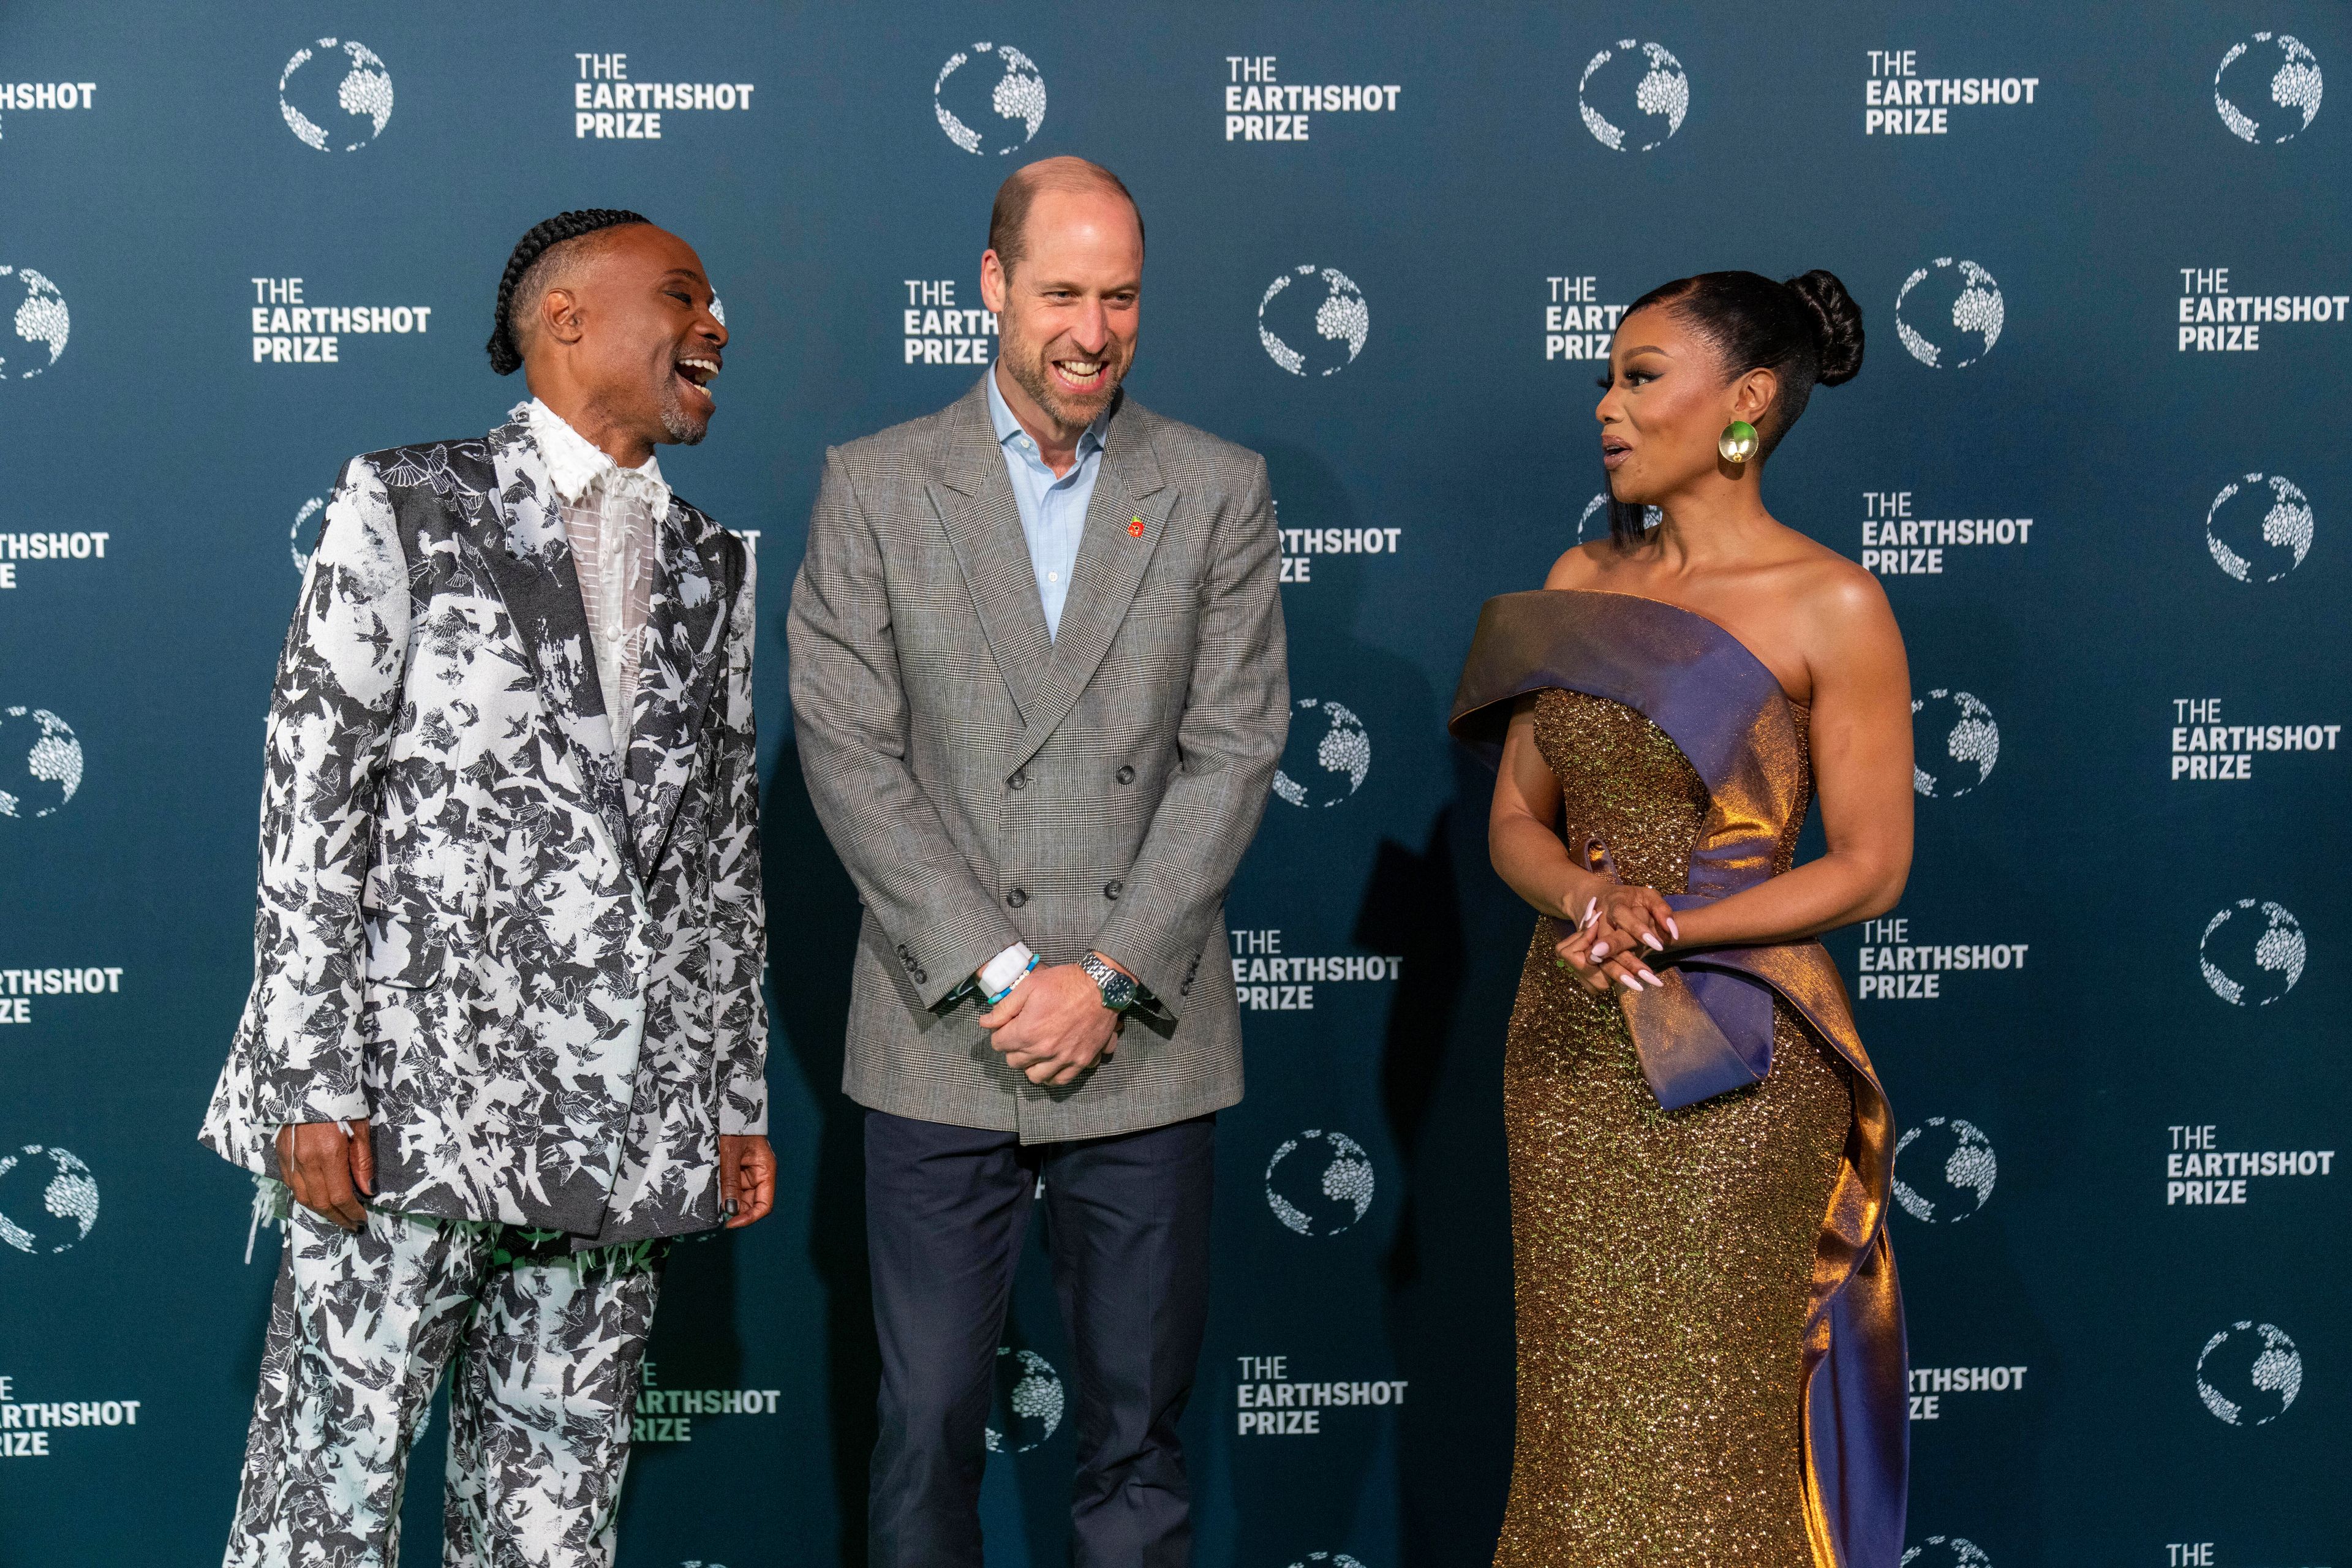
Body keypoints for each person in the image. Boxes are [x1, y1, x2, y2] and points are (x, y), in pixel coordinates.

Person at [198, 209, 775, 1567]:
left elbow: (718, 860)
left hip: (620, 1122)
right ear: (564, 317)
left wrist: (730, 1093)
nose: (718, 326)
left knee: (555, 1521)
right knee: (323, 1503)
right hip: (404, 1112)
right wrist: (310, 1077)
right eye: (684, 296)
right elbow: (309, 798)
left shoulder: (713, 559)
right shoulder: (407, 500)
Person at [788, 156, 1287, 1566]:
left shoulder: (1215, 489)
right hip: (947, 1018)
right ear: (993, 286)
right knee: (929, 1413)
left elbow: (1234, 746)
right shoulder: (878, 486)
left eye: (1120, 296)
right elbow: (850, 756)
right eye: (1062, 290)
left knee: (1137, 1425)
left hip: (1142, 1035)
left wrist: (1111, 973)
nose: (1093, 328)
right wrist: (1008, 970)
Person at [1449, 270, 1913, 1567]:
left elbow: (1874, 868)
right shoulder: (1579, 574)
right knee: (1583, 1432)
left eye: (1642, 376)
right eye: (1605, 377)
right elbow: (1516, 823)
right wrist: (1589, 897)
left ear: (1747, 404)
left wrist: (1675, 930)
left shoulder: (1836, 602)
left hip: (1738, 1063)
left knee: (1710, 1436)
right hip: (1570, 1044)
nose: (1607, 405)